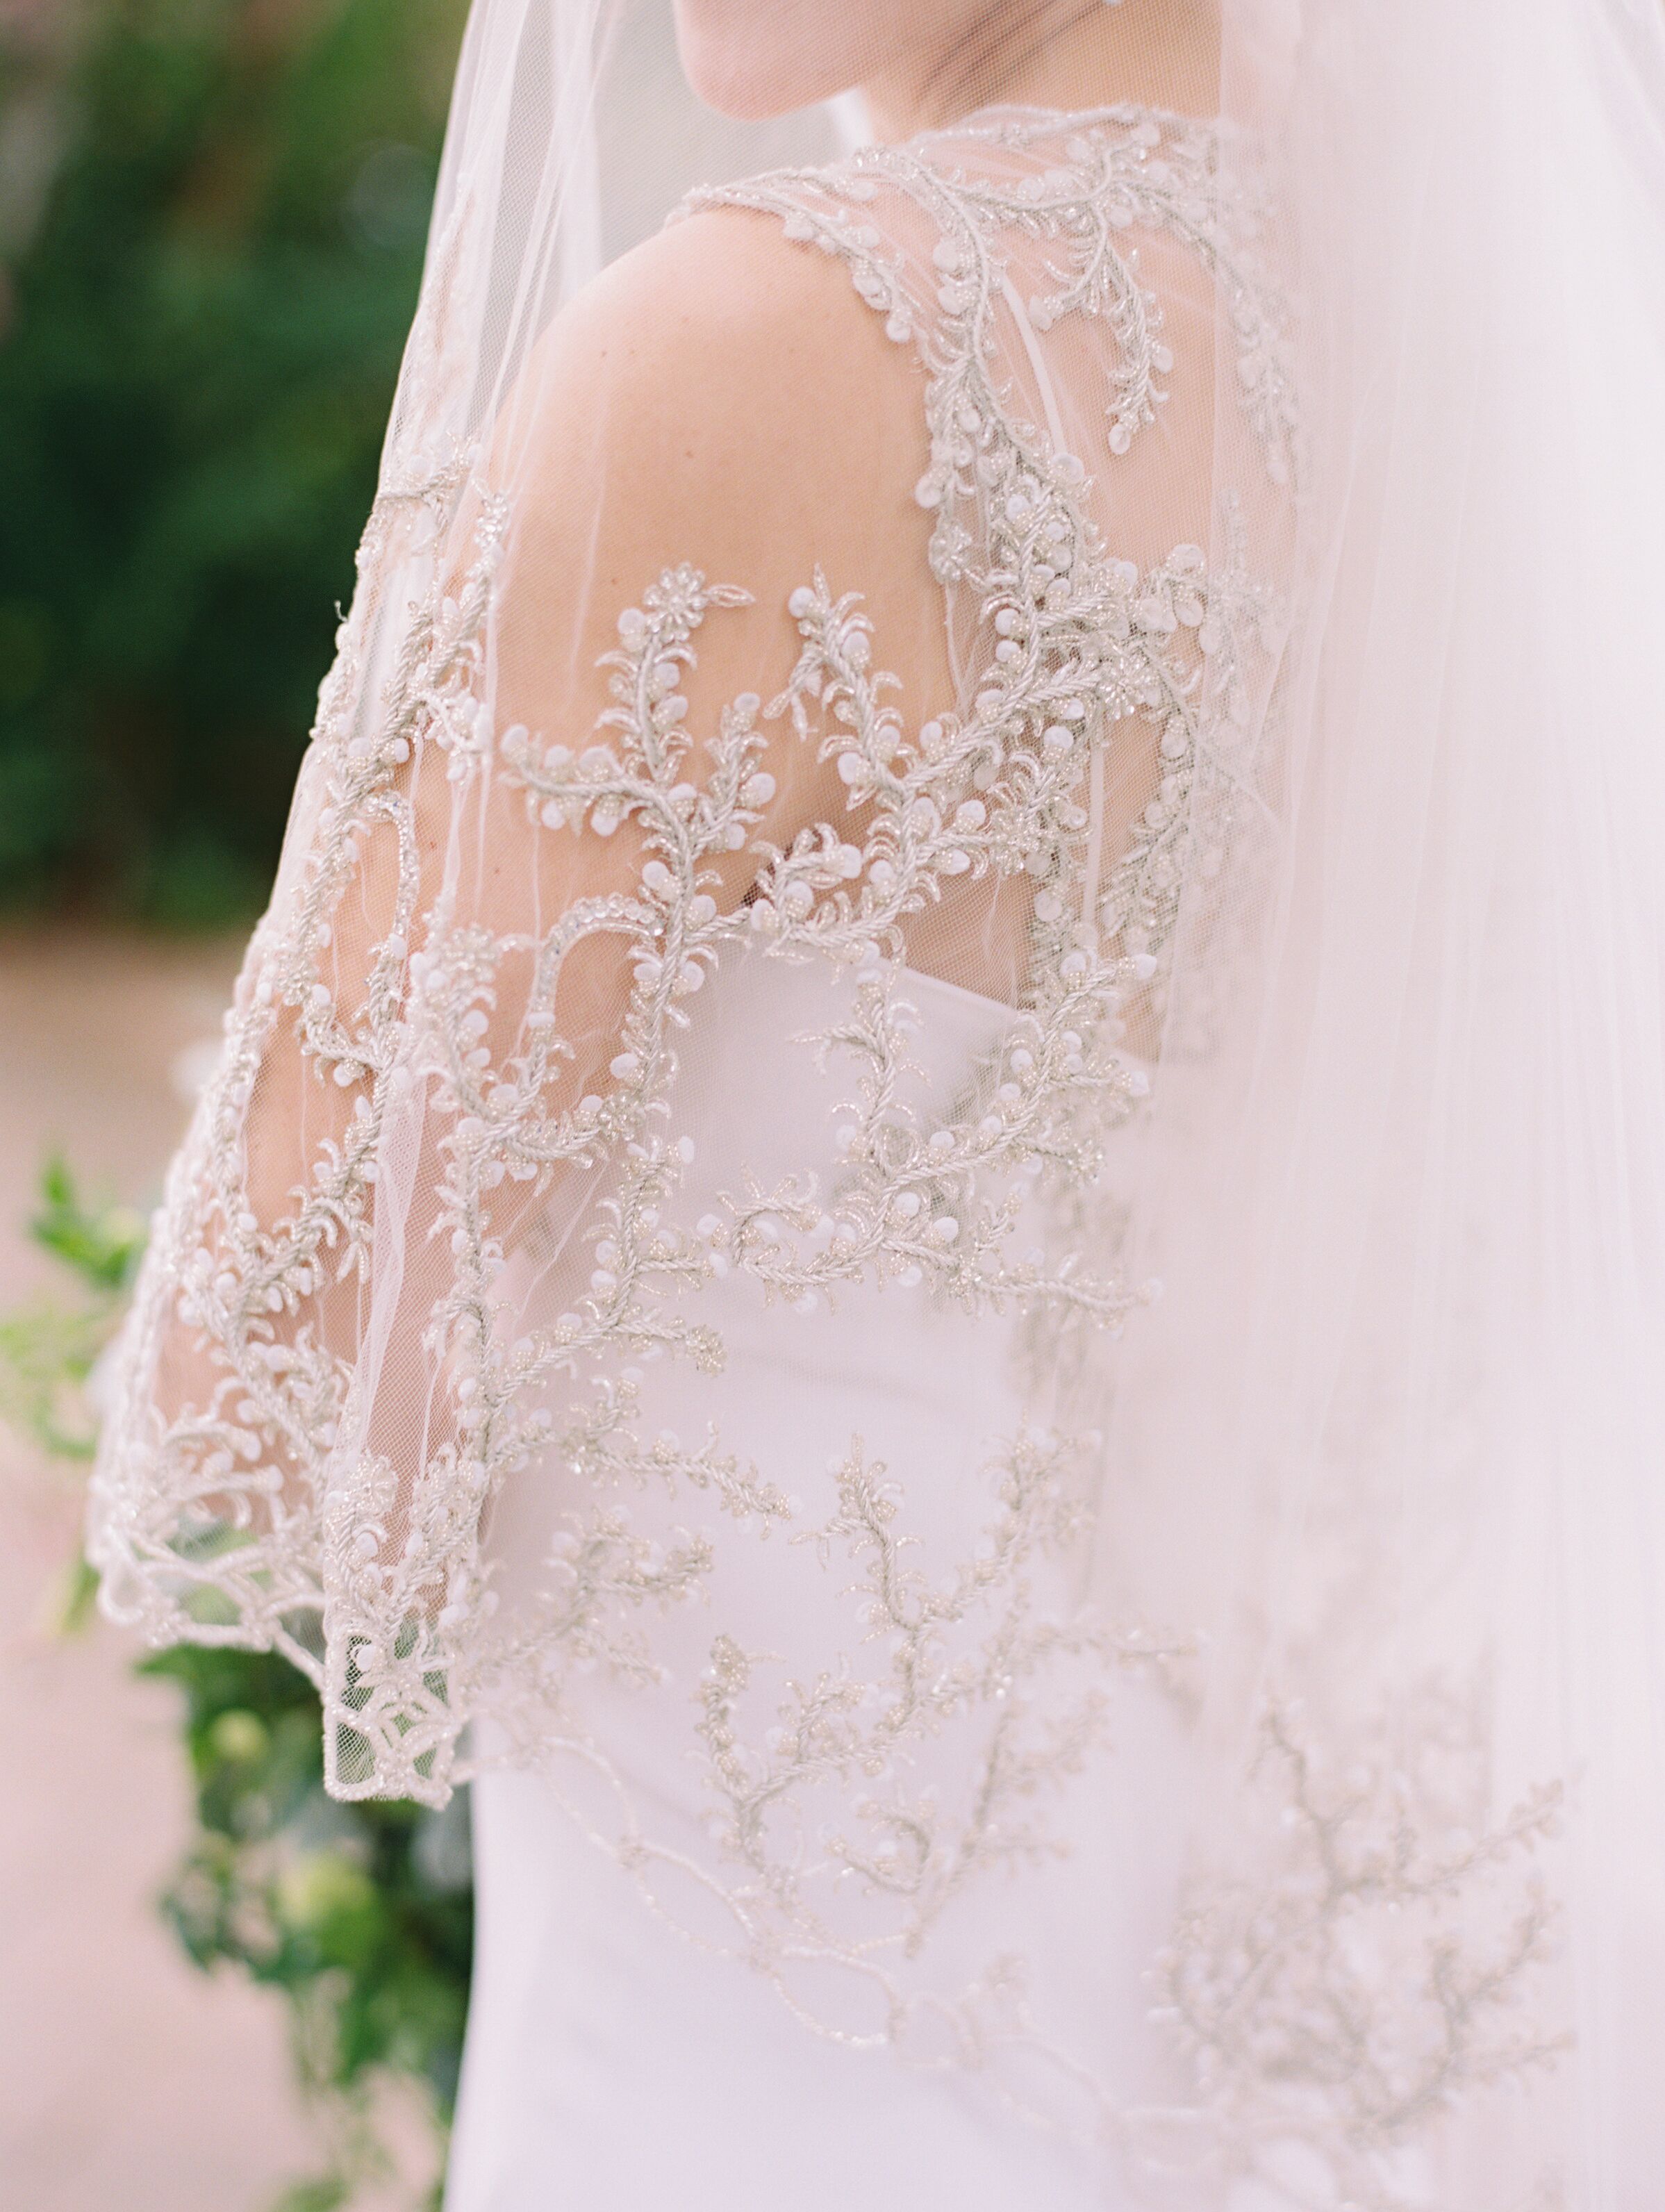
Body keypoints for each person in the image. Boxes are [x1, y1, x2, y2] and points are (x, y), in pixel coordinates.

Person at [90, 1, 1665, 2204]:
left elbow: (269, 1377)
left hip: (759, 2083)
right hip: (1311, 2099)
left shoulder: (753, 357)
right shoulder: (1535, 394)